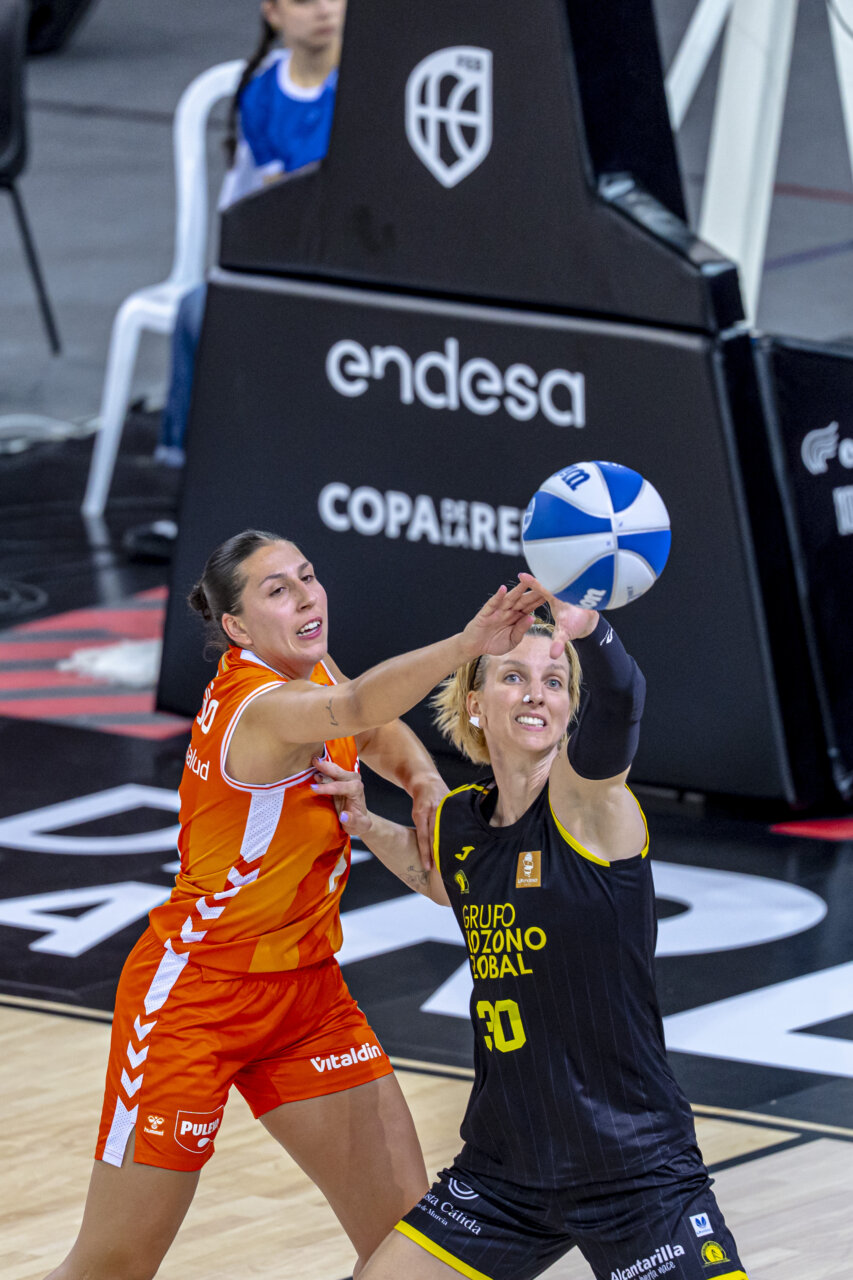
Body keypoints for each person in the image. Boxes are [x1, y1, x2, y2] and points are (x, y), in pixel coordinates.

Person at [44, 531, 551, 1280]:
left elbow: (371, 726)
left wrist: (421, 783)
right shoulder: (261, 704)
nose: (306, 595)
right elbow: (351, 706)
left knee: (410, 1257)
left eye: (307, 577)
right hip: (195, 999)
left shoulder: (304, 665)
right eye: (276, 590)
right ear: (237, 628)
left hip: (306, 996)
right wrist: (465, 645)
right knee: (113, 1267)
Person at [314, 576, 750, 1280]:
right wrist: (366, 826)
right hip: (503, 1172)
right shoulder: (459, 820)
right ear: (475, 705)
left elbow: (625, 699)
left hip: (631, 1169)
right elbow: (443, 883)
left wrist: (592, 634)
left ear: (570, 707)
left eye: (554, 681)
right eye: (513, 675)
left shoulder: (587, 806)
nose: (535, 693)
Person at [128, 0, 345, 560]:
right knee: (199, 309)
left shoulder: (369, 91)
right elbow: (247, 203)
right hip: (274, 268)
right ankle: (190, 490)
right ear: (273, 13)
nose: (324, 9)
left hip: (347, 273)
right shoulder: (262, 93)